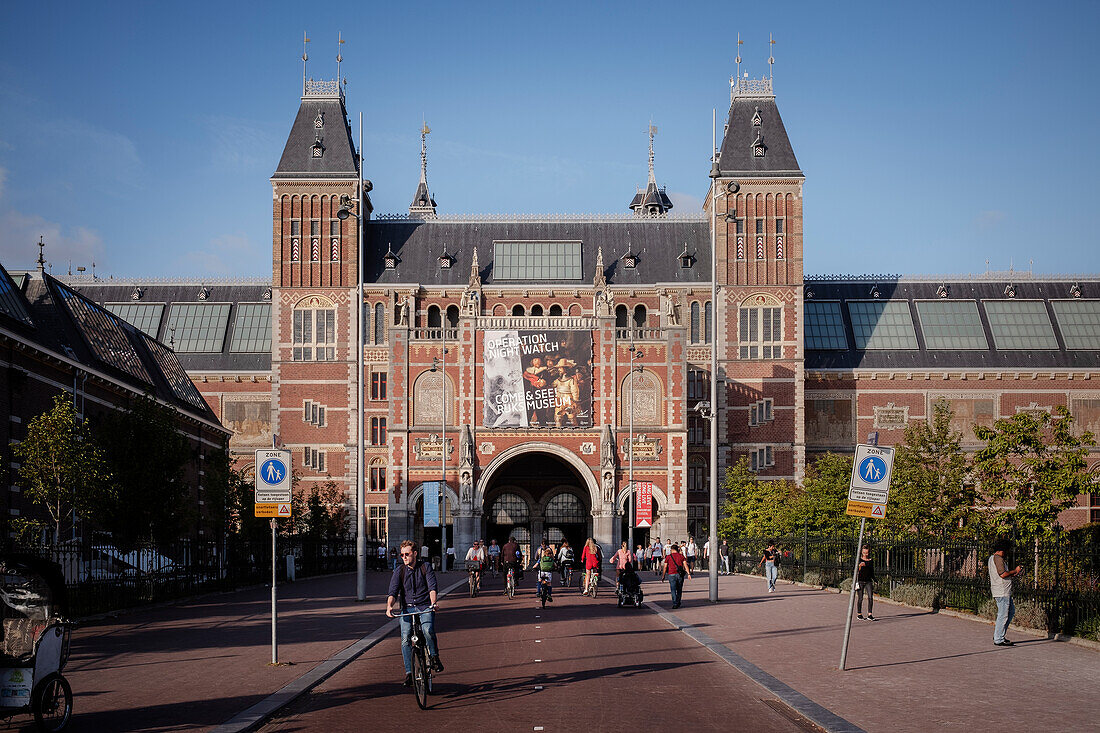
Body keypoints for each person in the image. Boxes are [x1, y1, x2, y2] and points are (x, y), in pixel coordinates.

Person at [386, 540, 443, 685]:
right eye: (402, 554)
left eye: (407, 554)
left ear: (415, 554)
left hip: (424, 606)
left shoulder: (425, 566)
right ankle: (409, 673)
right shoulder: (400, 570)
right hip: (408, 608)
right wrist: (389, 607)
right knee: (405, 638)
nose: (404, 557)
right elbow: (393, 592)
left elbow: (432, 587)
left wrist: (433, 603)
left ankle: (435, 657)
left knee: (427, 630)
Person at [989, 538, 1023, 646]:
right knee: (1003, 615)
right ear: (1003, 549)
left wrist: (1012, 573)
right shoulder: (998, 559)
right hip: (1002, 591)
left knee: (1010, 612)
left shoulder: (992, 558)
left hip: (1002, 591)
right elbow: (1003, 574)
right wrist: (1015, 570)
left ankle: (1000, 634)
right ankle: (998, 638)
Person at [663, 542, 691, 609]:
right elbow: (685, 565)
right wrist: (689, 574)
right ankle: (678, 602)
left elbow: (665, 567)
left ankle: (675, 603)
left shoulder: (668, 557)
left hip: (671, 574)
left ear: (672, 549)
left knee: (673, 589)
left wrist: (663, 575)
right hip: (680, 575)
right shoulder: (681, 556)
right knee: (679, 589)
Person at [855, 545, 876, 621]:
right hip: (860, 581)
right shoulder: (859, 560)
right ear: (861, 552)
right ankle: (859, 614)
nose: (865, 554)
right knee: (860, 598)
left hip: (868, 581)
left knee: (870, 597)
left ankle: (870, 614)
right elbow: (855, 571)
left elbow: (872, 571)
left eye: (866, 553)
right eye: (864, 553)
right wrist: (859, 566)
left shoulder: (870, 561)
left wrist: (875, 579)